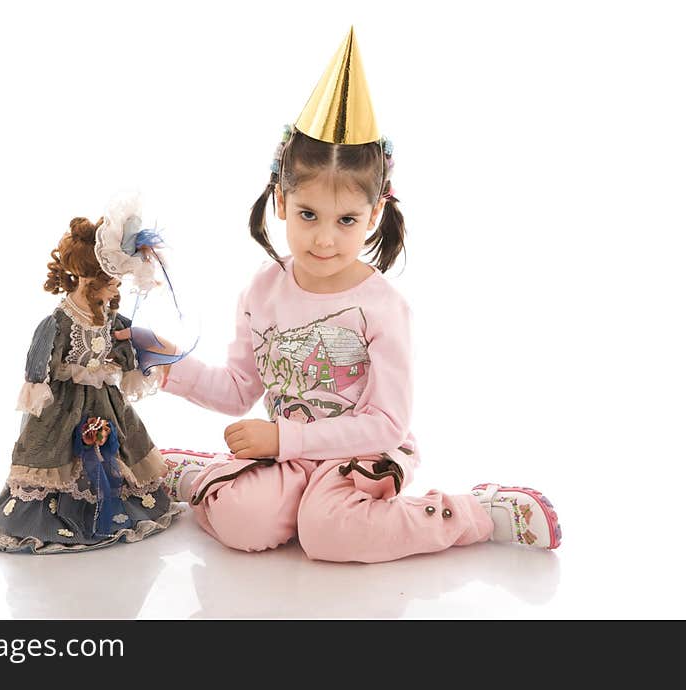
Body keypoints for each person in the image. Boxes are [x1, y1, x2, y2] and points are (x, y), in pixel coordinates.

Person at [159, 28, 561, 562]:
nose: (324, 238)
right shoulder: (264, 287)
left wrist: (282, 441)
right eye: (308, 215)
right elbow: (237, 389)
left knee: (328, 532)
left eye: (346, 220)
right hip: (293, 453)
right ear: (281, 200)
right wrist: (162, 362)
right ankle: (211, 477)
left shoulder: (382, 308)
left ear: (374, 215)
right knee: (241, 522)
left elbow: (387, 423)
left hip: (364, 449)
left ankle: (479, 513)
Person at [0, 206, 180, 554]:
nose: (116, 289)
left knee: (118, 450)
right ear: (89, 278)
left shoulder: (111, 318)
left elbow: (122, 350)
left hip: (106, 402)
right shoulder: (59, 321)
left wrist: (128, 360)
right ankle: (51, 515)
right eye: (112, 281)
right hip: (66, 405)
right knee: (58, 455)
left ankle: (116, 508)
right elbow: (42, 366)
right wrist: (45, 390)